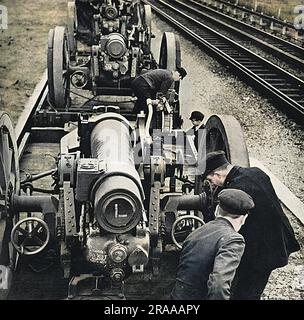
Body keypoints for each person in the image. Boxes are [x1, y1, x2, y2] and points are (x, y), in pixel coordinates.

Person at [201, 150, 300, 300]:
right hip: (278, 238)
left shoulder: (236, 190)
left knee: (247, 293)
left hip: (261, 252)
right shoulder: (256, 172)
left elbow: (231, 225)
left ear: (218, 175)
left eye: (210, 179)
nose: (212, 183)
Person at [171, 188, 254, 300]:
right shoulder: (233, 239)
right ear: (243, 218)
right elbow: (219, 284)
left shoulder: (198, 231)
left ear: (217, 210)